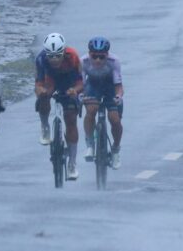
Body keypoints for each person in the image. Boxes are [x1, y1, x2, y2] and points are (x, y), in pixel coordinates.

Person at [34, 33, 83, 180]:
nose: (54, 59)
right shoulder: (41, 59)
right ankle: (45, 127)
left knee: (70, 119)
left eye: (57, 55)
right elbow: (38, 83)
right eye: (51, 56)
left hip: (69, 82)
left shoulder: (73, 56)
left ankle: (72, 163)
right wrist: (41, 92)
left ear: (64, 52)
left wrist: (75, 91)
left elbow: (81, 82)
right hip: (51, 81)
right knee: (43, 96)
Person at [82, 37, 124, 169]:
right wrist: (80, 96)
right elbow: (80, 84)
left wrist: (118, 96)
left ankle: (116, 149)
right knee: (91, 110)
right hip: (92, 86)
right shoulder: (82, 62)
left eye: (101, 57)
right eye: (94, 57)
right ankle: (90, 144)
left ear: (107, 55)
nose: (98, 60)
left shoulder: (114, 61)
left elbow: (118, 86)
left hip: (109, 87)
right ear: (89, 54)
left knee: (115, 120)